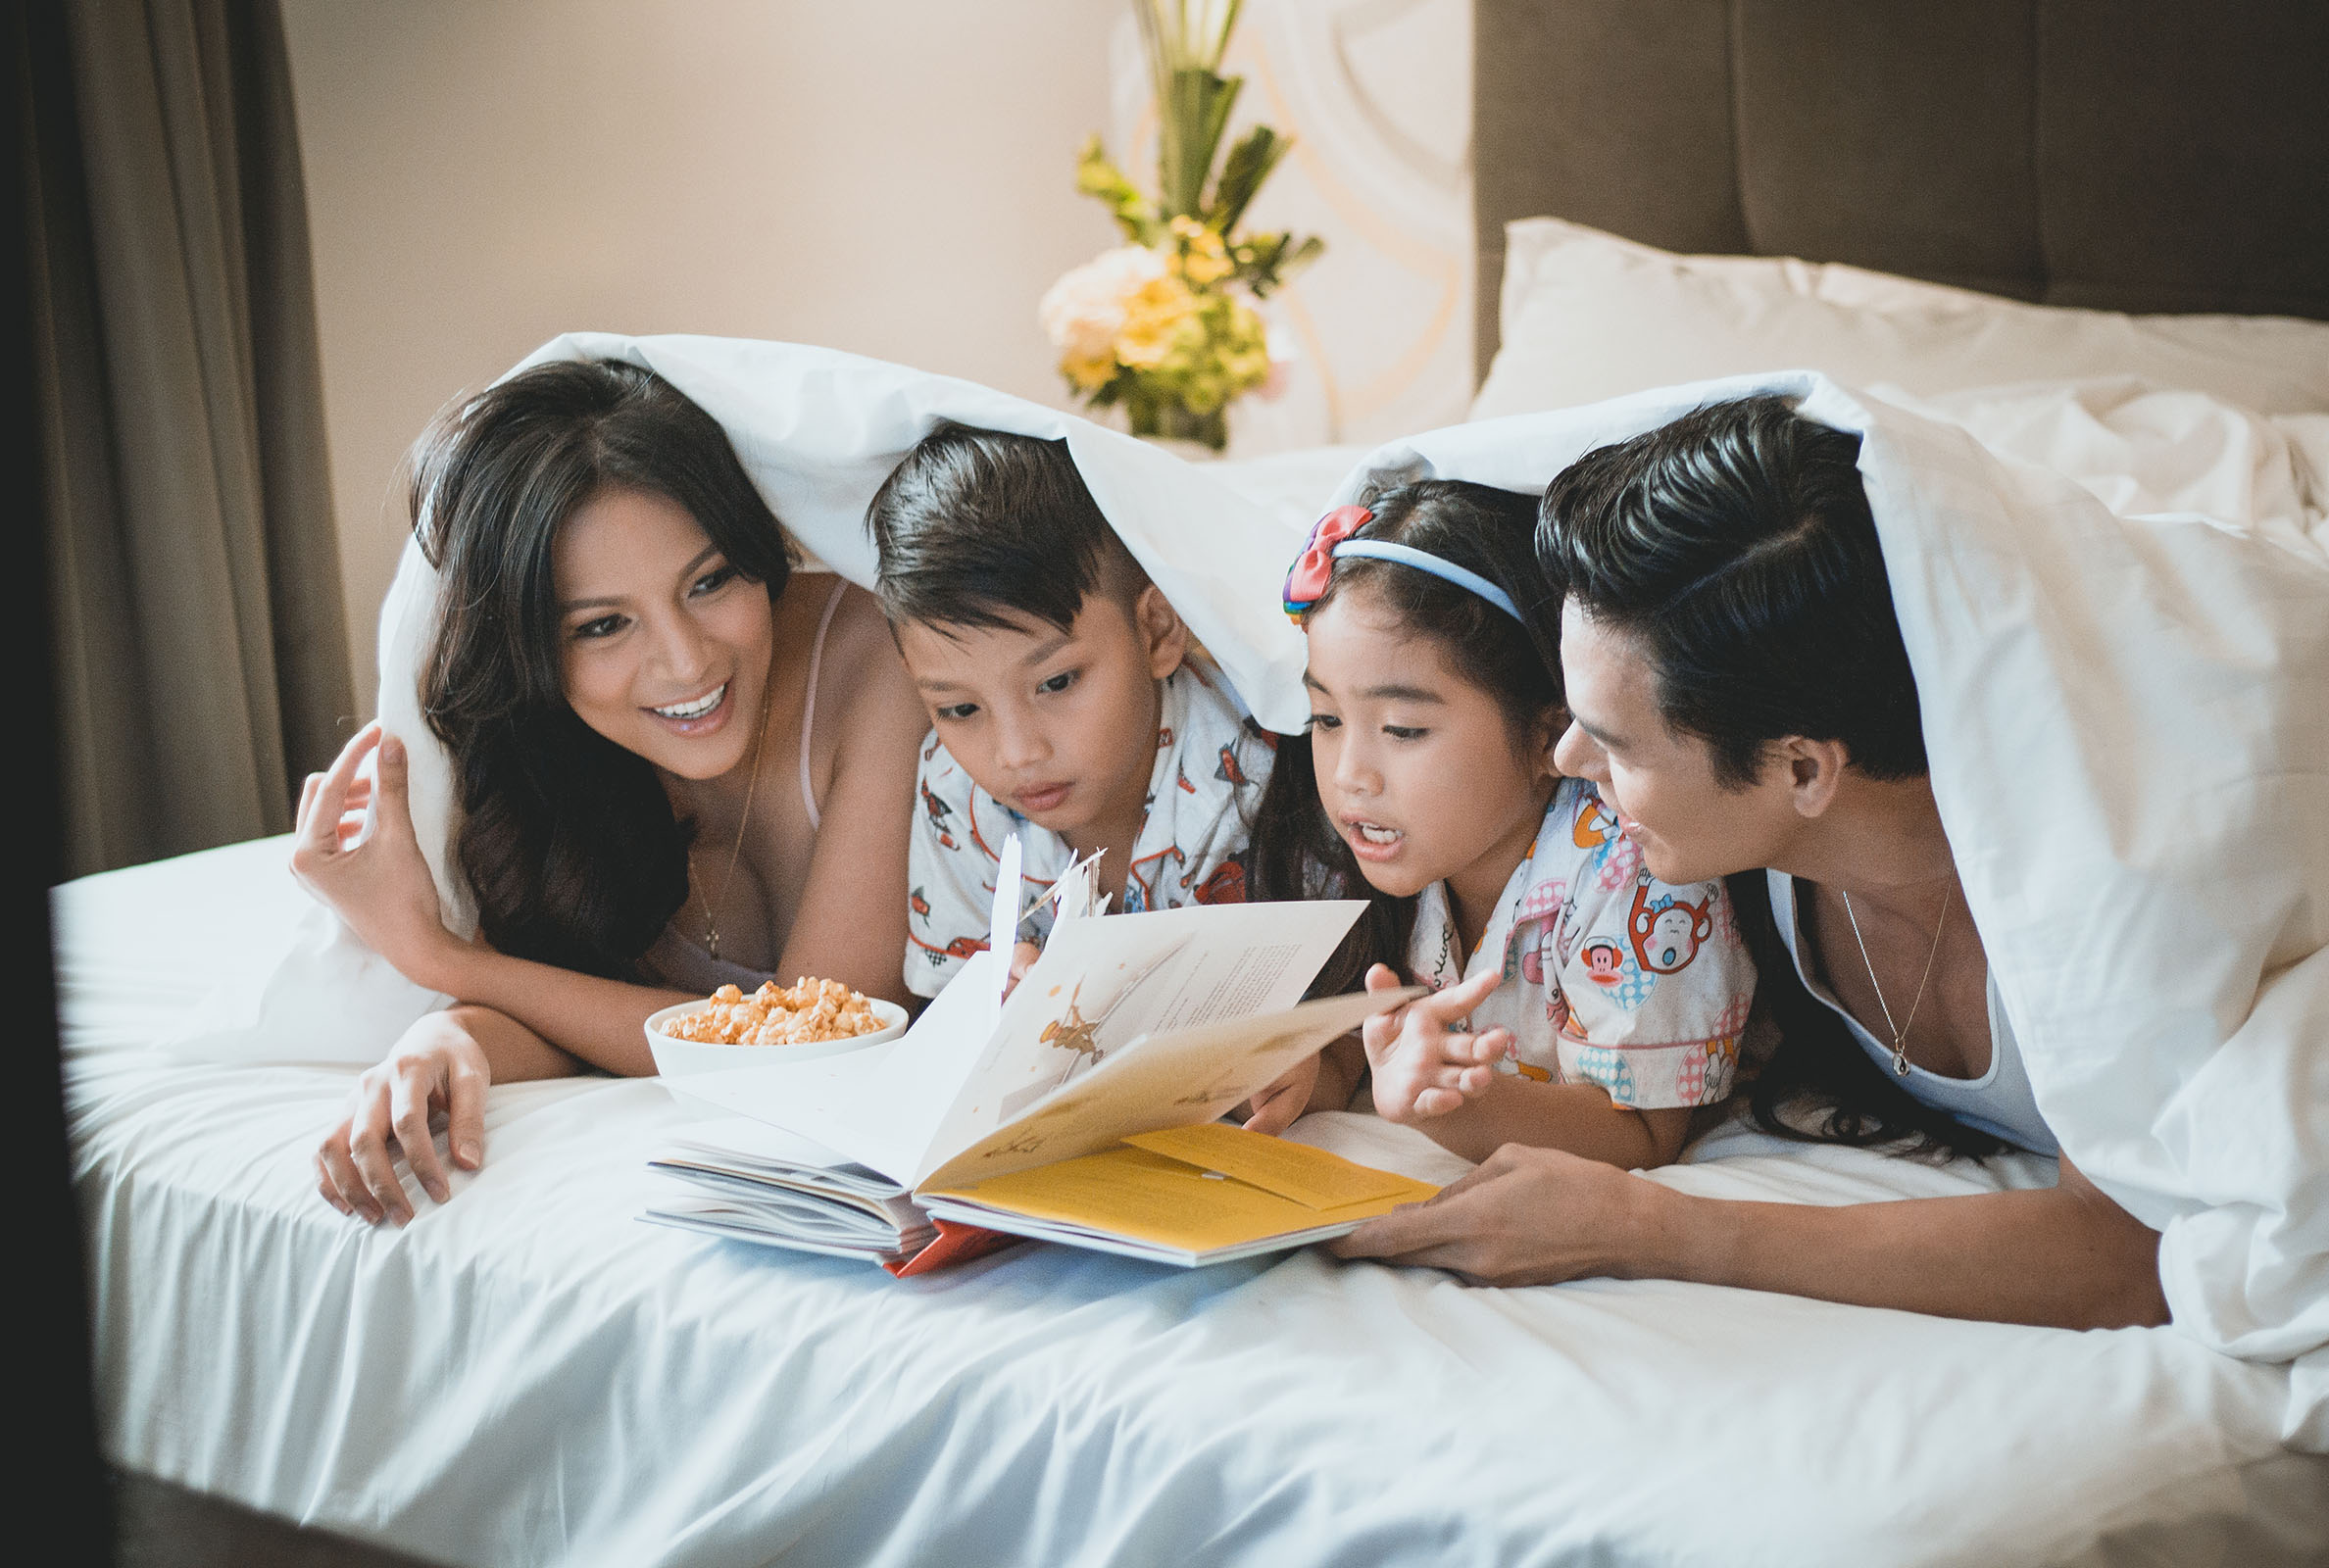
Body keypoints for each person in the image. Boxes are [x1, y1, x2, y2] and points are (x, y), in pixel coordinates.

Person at [1334, 396, 2172, 1332]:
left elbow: (2130, 1251)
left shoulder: (2098, 879)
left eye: (1616, 744)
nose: (1569, 763)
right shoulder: (1742, 850)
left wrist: (1654, 1229)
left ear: (1802, 767)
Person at [293, 360, 929, 1226]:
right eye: (601, 625)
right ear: (529, 653)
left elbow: (808, 1050)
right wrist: (455, 1033)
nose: (687, 660)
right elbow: (560, 1000)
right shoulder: (540, 752)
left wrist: (444, 962)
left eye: (709, 581)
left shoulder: (877, 655)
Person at [1247, 481, 1755, 1163]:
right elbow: (1368, 1038)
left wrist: (1457, 1102)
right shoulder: (1369, 841)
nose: (1348, 776)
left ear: (1549, 732)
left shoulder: (1636, 868)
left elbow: (1643, 1132)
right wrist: (1315, 1070)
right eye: (1327, 721)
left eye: (1402, 728)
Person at [867, 422, 1302, 1123]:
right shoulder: (955, 792)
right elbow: (945, 1013)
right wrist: (991, 1017)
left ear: (1158, 631)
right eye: (959, 708)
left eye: (1058, 682)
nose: (1014, 752)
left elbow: (1339, 1022)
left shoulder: (1267, 769)